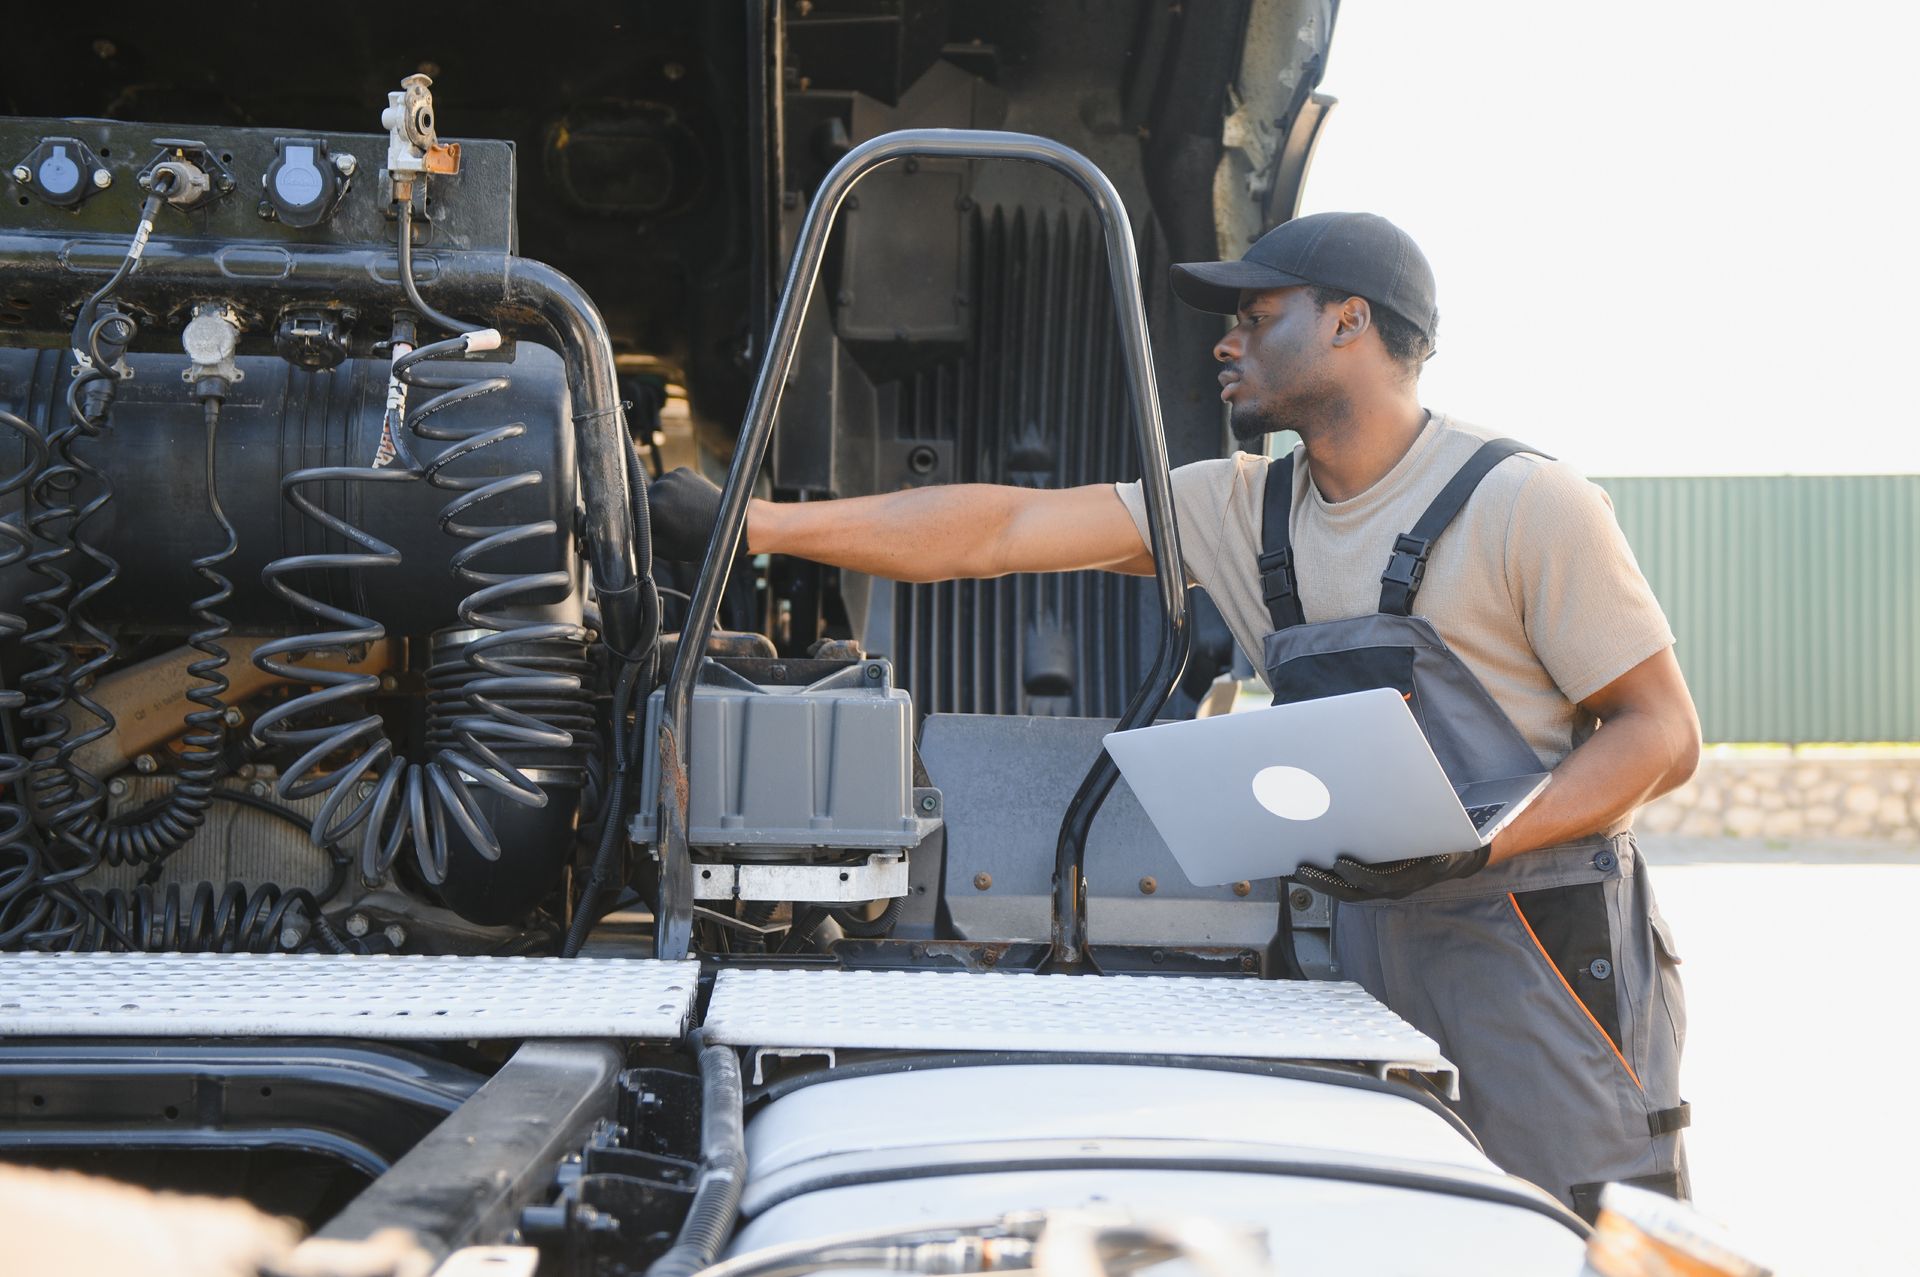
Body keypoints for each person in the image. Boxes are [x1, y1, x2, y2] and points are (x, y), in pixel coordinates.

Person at [647, 211, 1696, 1217]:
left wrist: (1477, 847)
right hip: (1372, 935)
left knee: (1579, 1231)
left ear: (1351, 321)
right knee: (1411, 1220)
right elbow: (1000, 525)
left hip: (1536, 943)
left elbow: (1659, 733)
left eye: (1256, 314)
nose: (1224, 341)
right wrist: (754, 523)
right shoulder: (1242, 510)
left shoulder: (1525, 502)